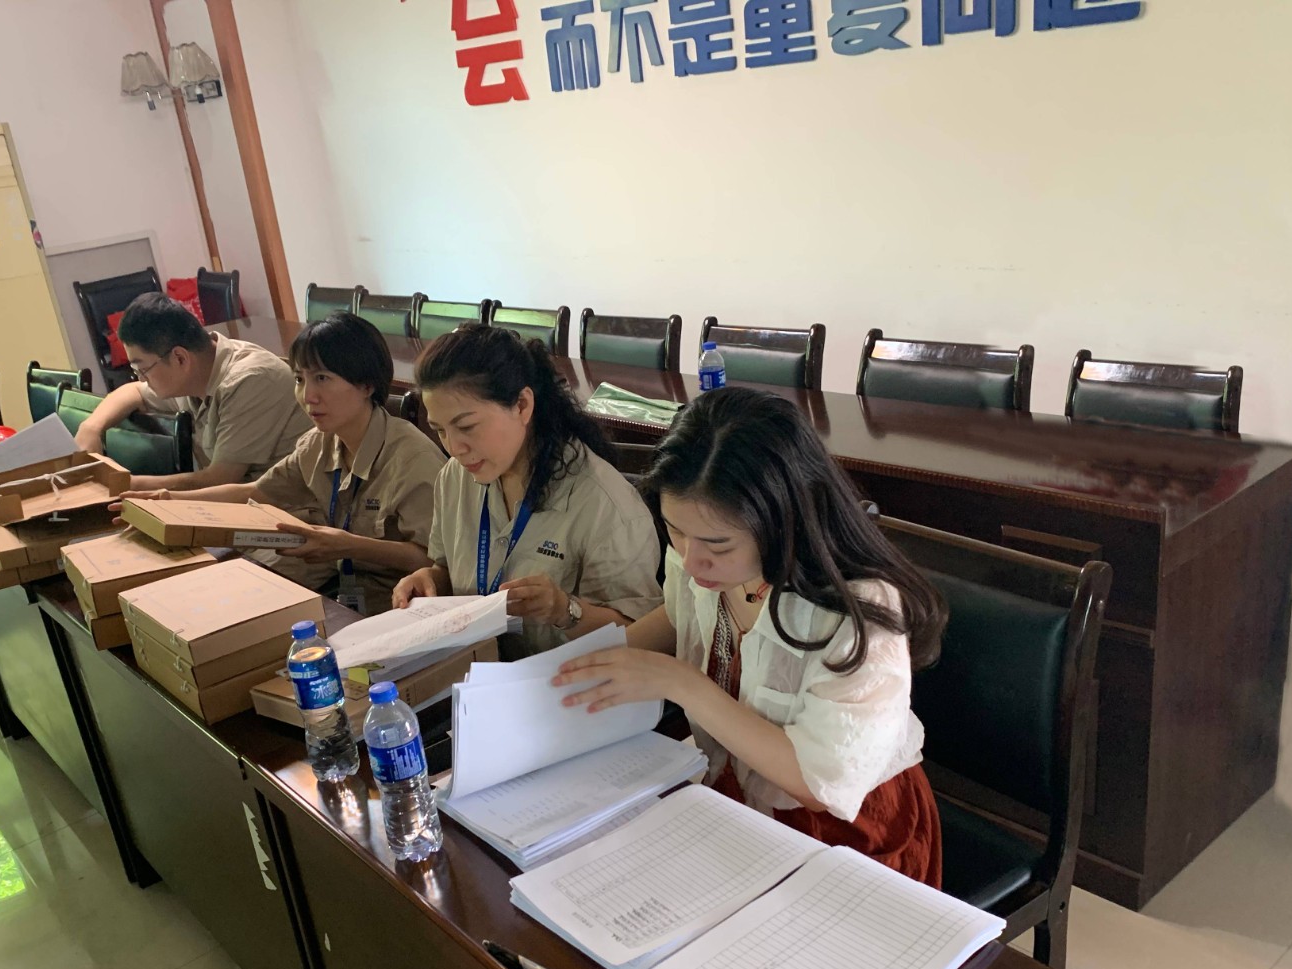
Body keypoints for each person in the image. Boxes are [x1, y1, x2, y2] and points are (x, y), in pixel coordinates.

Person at [552, 387, 948, 887]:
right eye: (675, 531)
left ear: (783, 518)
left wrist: (681, 683)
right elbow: (679, 616)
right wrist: (582, 670)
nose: (691, 561)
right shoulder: (702, 551)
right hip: (737, 792)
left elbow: (818, 784)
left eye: (717, 545)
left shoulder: (857, 612)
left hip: (847, 830)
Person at [117, 314, 443, 609]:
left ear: (366, 385)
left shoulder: (410, 458)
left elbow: (435, 559)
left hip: (404, 605)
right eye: (300, 379)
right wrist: (171, 501)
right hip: (346, 595)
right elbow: (256, 492)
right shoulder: (318, 444)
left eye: (322, 378)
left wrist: (348, 546)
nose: (308, 396)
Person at [392, 324, 662, 659]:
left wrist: (565, 610)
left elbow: (641, 636)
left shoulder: (605, 503)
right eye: (440, 431)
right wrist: (430, 578)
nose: (454, 448)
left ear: (522, 405)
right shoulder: (454, 477)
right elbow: (447, 569)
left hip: (565, 681)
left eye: (466, 427)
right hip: (473, 668)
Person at [72, 293, 310, 491]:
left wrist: (123, 484)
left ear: (179, 358)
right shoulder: (193, 374)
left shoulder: (249, 380)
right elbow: (134, 391)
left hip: (292, 513)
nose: (141, 378)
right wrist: (91, 428)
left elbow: (219, 479)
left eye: (142, 369)